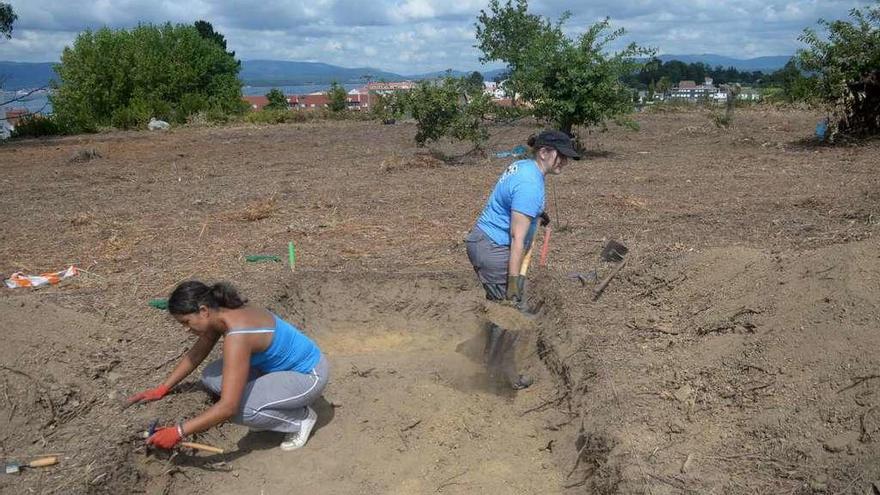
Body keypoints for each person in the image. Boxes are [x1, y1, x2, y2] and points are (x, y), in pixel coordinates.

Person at [126, 281, 329, 451]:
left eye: (187, 322)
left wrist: (178, 431)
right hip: (278, 369)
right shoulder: (224, 315)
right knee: (211, 376)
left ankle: (300, 419)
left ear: (203, 311)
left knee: (240, 410)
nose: (187, 330)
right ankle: (270, 407)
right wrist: (163, 387)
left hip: (309, 376)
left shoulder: (238, 335)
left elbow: (228, 408)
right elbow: (197, 353)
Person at [466, 130, 580, 389]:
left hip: (486, 242)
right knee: (512, 315)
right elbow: (517, 239)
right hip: (495, 249)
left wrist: (538, 213)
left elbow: (513, 202)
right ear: (544, 152)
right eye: (561, 157)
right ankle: (499, 376)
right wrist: (514, 282)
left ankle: (484, 355)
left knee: (502, 309)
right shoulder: (530, 183)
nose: (564, 162)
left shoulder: (523, 167)